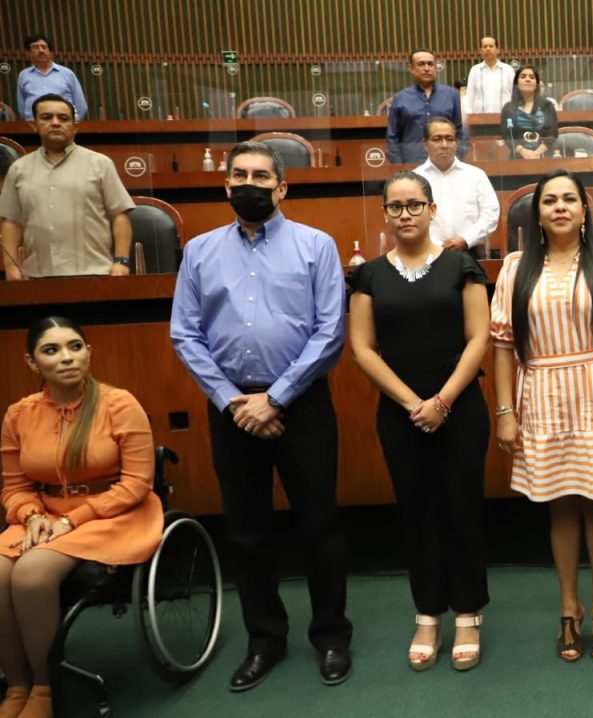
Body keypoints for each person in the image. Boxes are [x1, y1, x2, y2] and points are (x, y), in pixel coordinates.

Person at [170, 141, 352, 691]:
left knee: (319, 527)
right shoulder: (199, 251)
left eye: (262, 176)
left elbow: (330, 331)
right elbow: (185, 333)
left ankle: (331, 636)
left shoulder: (315, 246)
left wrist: (274, 400)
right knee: (247, 533)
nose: (251, 183)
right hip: (230, 408)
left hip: (302, 406)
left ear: (282, 187)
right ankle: (264, 639)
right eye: (240, 175)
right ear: (226, 185)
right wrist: (233, 401)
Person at [490, 169, 593, 664]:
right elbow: (501, 345)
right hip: (540, 394)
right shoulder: (516, 266)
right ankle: (568, 606)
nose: (559, 207)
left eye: (569, 200)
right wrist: (504, 411)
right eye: (549, 200)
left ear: (585, 211)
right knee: (558, 503)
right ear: (536, 213)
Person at [348, 171, 491, 672]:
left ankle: (469, 612)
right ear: (385, 215)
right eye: (395, 207)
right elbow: (362, 348)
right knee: (416, 512)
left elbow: (479, 339)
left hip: (461, 409)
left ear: (432, 210)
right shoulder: (368, 275)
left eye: (414, 205)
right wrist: (415, 404)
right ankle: (428, 612)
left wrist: (443, 401)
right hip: (400, 414)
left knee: (461, 509)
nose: (405, 214)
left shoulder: (462, 267)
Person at [0, 317, 163, 718]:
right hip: (44, 514)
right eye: (51, 350)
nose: (67, 358)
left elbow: (137, 484)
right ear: (31, 362)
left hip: (113, 513)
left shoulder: (119, 404)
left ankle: (43, 687)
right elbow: (13, 486)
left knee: (32, 572)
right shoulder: (19, 414)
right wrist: (30, 513)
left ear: (89, 352)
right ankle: (16, 685)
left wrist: (73, 520)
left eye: (75, 346)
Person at [1, 94, 135, 280]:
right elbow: (11, 222)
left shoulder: (100, 164)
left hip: (94, 274)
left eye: (63, 118)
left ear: (75, 126)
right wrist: (11, 267)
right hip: (36, 276)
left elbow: (120, 215)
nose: (55, 123)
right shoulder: (18, 169)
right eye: (47, 117)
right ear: (34, 124)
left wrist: (121, 261)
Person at [412, 117, 498, 259]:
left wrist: (466, 239)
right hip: (427, 255)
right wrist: (436, 245)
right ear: (425, 144)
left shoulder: (476, 175)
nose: (444, 145)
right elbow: (411, 218)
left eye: (450, 139)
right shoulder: (414, 178)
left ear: (456, 143)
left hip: (472, 253)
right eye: (437, 139)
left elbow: (491, 214)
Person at [387, 49, 466, 165]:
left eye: (430, 64)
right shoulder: (400, 98)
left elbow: (459, 131)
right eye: (421, 64)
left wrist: (456, 158)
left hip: (446, 163)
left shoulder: (452, 95)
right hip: (412, 163)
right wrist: (400, 167)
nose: (426, 68)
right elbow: (393, 137)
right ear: (412, 69)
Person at [15, 34, 88, 122]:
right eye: (35, 47)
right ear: (28, 53)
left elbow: (81, 104)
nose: (41, 50)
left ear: (50, 52)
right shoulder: (24, 75)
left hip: (63, 125)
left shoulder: (67, 73)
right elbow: (21, 107)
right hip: (34, 126)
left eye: (44, 47)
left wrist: (73, 123)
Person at [500, 65, 559, 159]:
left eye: (532, 77)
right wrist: (523, 152)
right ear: (516, 83)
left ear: (537, 83)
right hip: (517, 158)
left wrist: (537, 153)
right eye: (523, 77)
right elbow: (506, 135)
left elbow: (553, 133)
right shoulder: (508, 108)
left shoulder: (548, 105)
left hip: (544, 157)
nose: (527, 79)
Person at [465, 36, 515, 114]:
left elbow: (515, 94)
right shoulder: (475, 70)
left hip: (505, 119)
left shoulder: (508, 70)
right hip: (480, 121)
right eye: (485, 46)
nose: (488, 49)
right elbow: (470, 96)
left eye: (491, 46)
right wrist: (470, 117)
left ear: (497, 50)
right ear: (481, 51)